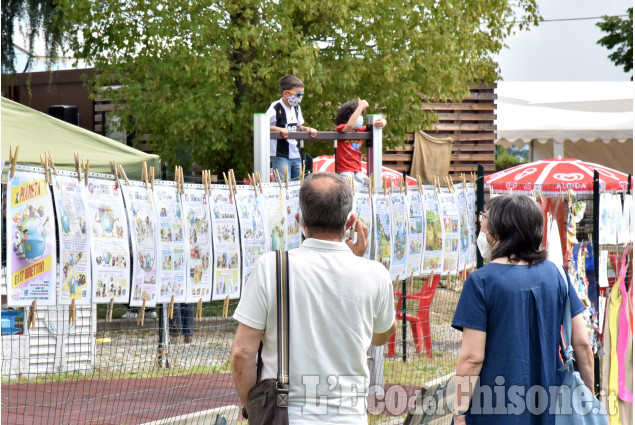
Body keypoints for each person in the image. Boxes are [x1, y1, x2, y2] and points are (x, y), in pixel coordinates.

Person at [231, 172, 397, 424]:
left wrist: (252, 408)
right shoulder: (375, 274)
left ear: (300, 220)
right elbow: (382, 334)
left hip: (287, 415)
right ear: (350, 221)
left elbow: (243, 352)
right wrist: (355, 261)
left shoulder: (271, 267)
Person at [451, 194, 595, 425]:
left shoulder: (481, 282)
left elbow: (471, 359)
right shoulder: (558, 274)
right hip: (553, 408)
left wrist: (459, 413)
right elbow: (583, 344)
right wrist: (588, 400)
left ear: (498, 232)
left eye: (484, 219)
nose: (481, 225)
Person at [267, 74, 318, 180]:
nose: (300, 98)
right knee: (283, 184)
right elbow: (263, 126)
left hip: (295, 153)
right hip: (280, 154)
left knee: (299, 183)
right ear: (286, 93)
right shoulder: (276, 107)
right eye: (298, 94)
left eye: (302, 94)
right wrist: (278, 129)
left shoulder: (296, 108)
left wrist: (306, 129)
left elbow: (298, 126)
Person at [335, 98, 387, 186]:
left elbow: (375, 126)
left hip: (358, 171)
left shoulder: (359, 130)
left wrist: (383, 122)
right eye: (358, 115)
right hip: (345, 172)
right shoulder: (341, 127)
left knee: (373, 186)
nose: (360, 119)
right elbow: (350, 125)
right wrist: (360, 107)